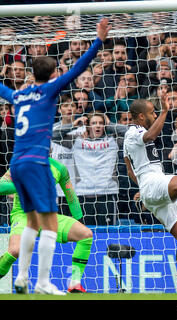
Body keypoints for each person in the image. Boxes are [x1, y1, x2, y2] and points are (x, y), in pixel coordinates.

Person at [0, 18, 110, 295]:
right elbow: (78, 68)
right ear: (51, 76)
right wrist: (98, 40)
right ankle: (43, 282)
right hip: (37, 164)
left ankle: (22, 277)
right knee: (47, 223)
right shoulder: (48, 91)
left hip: (17, 164)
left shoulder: (17, 96)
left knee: (34, 221)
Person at [123, 99, 177, 293]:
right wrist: (166, 111)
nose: (155, 115)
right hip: (152, 181)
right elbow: (150, 136)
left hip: (150, 189)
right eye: (152, 113)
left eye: (156, 112)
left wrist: (142, 187)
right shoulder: (134, 132)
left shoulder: (129, 140)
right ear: (141, 116)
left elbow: (129, 170)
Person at [0, 157, 93, 293]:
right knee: (15, 250)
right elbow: (1, 187)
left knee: (86, 235)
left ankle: (74, 283)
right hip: (23, 215)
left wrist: (80, 222)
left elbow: (71, 197)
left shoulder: (60, 168)